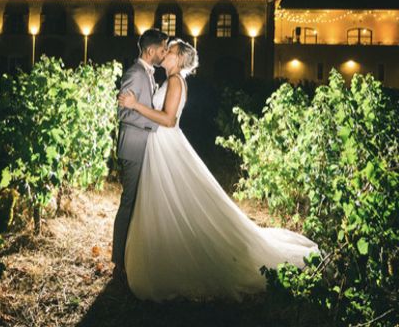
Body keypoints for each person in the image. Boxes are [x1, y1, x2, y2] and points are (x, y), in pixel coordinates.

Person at [117, 38, 320, 302]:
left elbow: (169, 120)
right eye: (166, 49)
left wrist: (136, 106)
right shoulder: (170, 79)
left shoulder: (177, 81)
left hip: (166, 143)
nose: (165, 53)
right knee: (168, 199)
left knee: (174, 198)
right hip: (159, 145)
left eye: (171, 50)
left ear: (179, 59)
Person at [111, 28, 169, 282]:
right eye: (163, 48)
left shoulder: (148, 74)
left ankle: (133, 255)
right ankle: (118, 261)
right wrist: (155, 126)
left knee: (139, 203)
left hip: (145, 146)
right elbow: (124, 114)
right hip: (134, 146)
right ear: (150, 50)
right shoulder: (135, 74)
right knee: (129, 203)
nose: (165, 53)